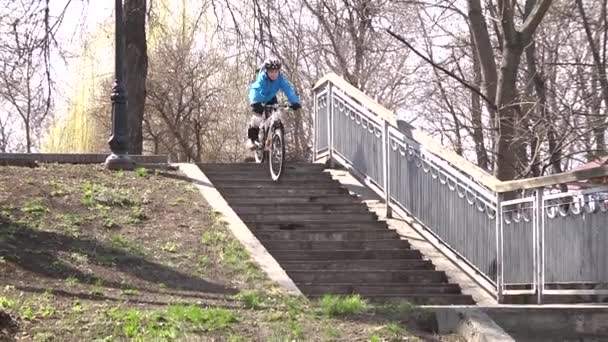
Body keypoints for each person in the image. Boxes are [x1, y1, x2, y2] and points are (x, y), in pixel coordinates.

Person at [246, 56, 301, 150]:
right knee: (257, 117)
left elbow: (288, 90)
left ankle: (274, 135)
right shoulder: (262, 78)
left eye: (276, 71)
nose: (274, 74)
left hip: (271, 98)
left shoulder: (280, 79)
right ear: (266, 71)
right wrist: (254, 101)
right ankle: (252, 139)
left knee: (276, 114)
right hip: (259, 98)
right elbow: (255, 89)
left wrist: (294, 102)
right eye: (271, 71)